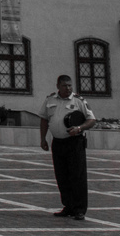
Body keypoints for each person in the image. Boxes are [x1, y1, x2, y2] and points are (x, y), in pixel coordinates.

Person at [40, 74, 96, 220]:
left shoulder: (78, 100)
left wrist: (79, 128)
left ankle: (79, 209)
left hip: (74, 143)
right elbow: (44, 119)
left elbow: (91, 120)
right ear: (58, 86)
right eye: (65, 85)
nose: (68, 88)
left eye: (70, 85)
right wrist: (43, 139)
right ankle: (68, 206)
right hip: (58, 143)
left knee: (77, 176)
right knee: (62, 176)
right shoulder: (50, 100)